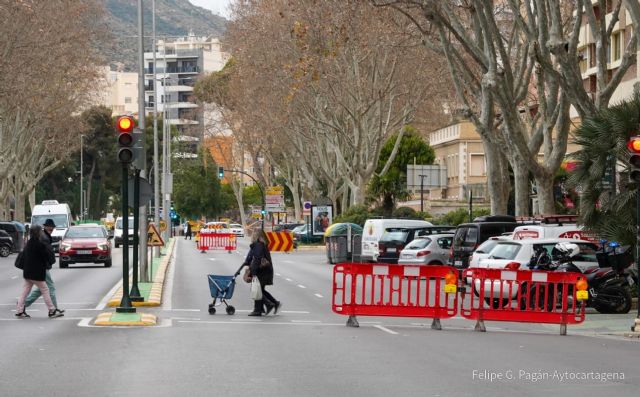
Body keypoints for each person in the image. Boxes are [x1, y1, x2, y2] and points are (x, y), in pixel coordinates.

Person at [15, 225, 64, 318]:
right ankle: (51, 310)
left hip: (27, 272)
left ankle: (19, 310)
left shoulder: (28, 243)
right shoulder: (39, 244)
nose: (42, 232)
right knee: (45, 290)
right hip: (37, 273)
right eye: (40, 231)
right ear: (38, 232)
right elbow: (47, 256)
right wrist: (51, 260)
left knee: (25, 292)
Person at [242, 228, 281, 316]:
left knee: (255, 289)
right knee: (260, 289)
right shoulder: (262, 244)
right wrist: (247, 262)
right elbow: (252, 257)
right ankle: (267, 306)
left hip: (261, 270)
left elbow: (257, 259)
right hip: (265, 270)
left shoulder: (258, 245)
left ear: (256, 236)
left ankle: (264, 306)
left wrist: (253, 272)